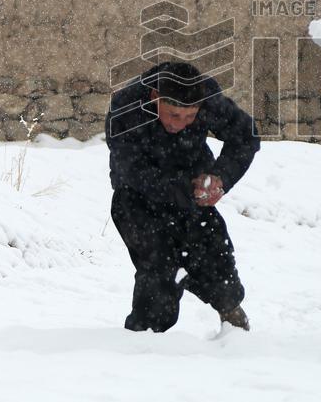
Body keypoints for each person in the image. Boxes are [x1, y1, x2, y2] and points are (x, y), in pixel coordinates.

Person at [106, 61, 261, 333]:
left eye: (190, 117)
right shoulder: (125, 108)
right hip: (136, 199)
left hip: (191, 200)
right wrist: (187, 188)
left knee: (217, 259)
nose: (180, 124)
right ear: (155, 98)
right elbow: (131, 170)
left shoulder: (207, 98)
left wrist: (220, 177)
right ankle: (145, 341)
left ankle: (232, 320)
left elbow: (245, 135)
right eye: (173, 115)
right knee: (159, 270)